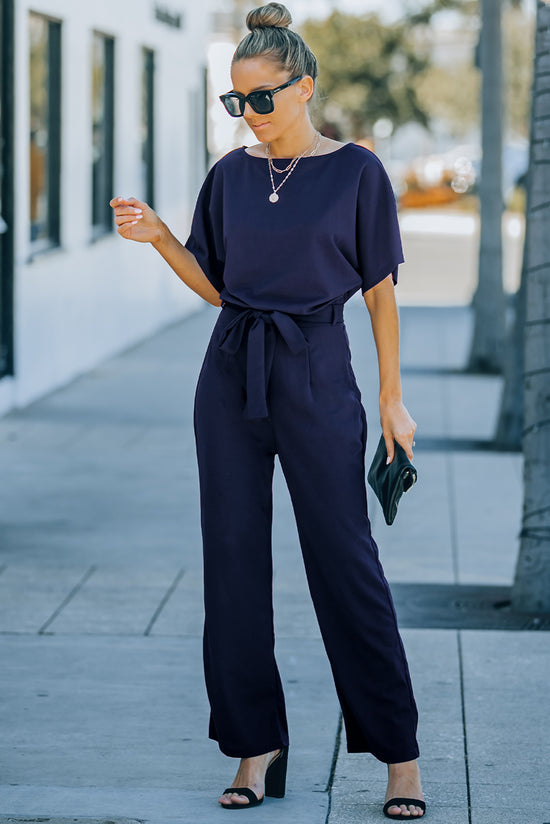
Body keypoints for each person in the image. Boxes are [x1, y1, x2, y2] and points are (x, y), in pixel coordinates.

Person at [109, 3, 425, 819]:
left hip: (318, 373)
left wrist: (392, 398)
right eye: (234, 101)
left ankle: (400, 760)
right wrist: (162, 239)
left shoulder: (357, 171)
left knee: (344, 564)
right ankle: (257, 747)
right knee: (235, 566)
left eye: (261, 98)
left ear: (303, 87)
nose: (248, 115)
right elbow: (221, 287)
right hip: (229, 375)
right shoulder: (230, 175)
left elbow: (381, 297)